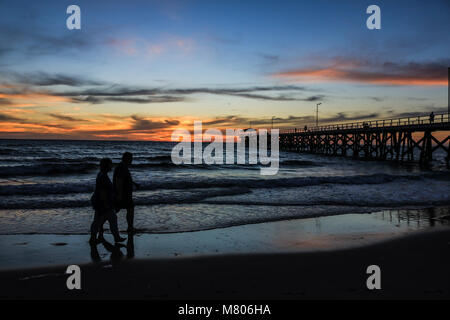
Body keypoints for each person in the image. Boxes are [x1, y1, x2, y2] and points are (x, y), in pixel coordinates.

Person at [89, 158, 126, 245]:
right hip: (102, 203)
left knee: (106, 220)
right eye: (110, 164)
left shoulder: (102, 174)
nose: (112, 166)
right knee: (100, 221)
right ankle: (94, 238)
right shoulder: (103, 176)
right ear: (106, 165)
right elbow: (102, 192)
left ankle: (115, 237)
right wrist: (106, 204)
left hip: (102, 202)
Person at [114, 152, 139, 233]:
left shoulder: (123, 167)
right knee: (129, 209)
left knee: (116, 210)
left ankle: (130, 227)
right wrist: (119, 195)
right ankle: (130, 228)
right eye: (130, 158)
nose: (132, 160)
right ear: (126, 159)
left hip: (125, 193)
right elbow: (119, 181)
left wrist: (134, 183)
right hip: (124, 194)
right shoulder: (122, 167)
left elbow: (126, 179)